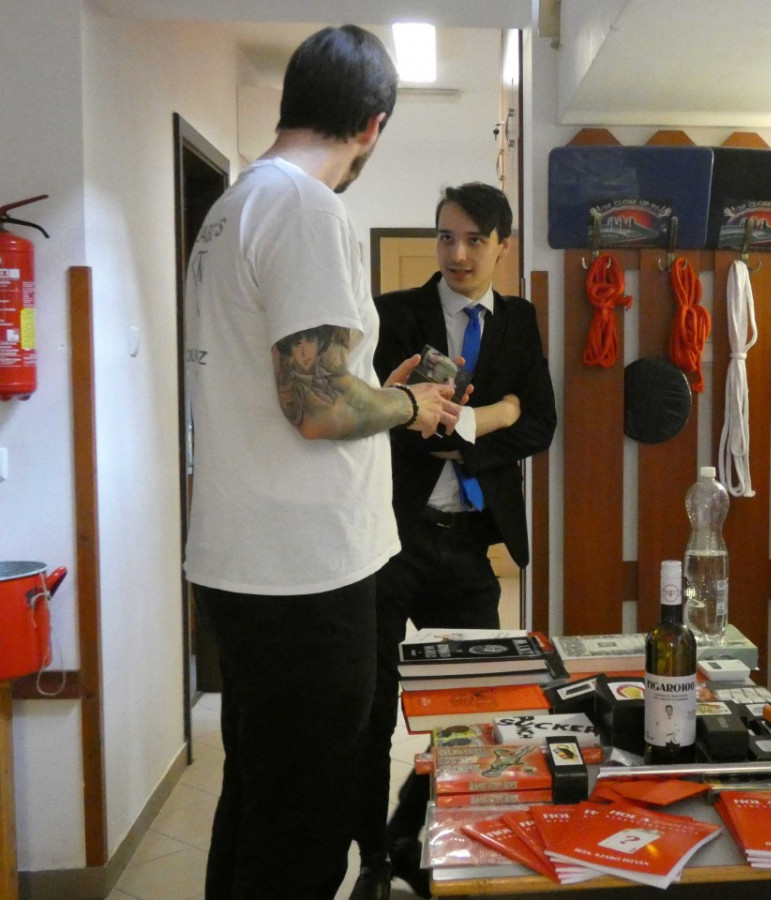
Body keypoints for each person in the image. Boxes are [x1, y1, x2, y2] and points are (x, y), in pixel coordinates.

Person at [183, 26, 462, 900]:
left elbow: (302, 383)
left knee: (257, 800)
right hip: (303, 575)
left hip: (247, 561)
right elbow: (316, 405)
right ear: (372, 125)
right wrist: (410, 406)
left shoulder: (234, 204)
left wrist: (379, 387)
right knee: (304, 826)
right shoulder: (306, 208)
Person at [350, 182, 557, 899]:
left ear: (502, 246)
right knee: (371, 711)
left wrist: (471, 429)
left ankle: (451, 844)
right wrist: (496, 412)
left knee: (475, 709)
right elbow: (371, 418)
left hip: (469, 544)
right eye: (446, 237)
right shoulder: (392, 314)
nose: (458, 253)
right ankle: (374, 861)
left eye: (474, 239)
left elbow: (541, 423)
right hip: (389, 538)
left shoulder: (519, 320)